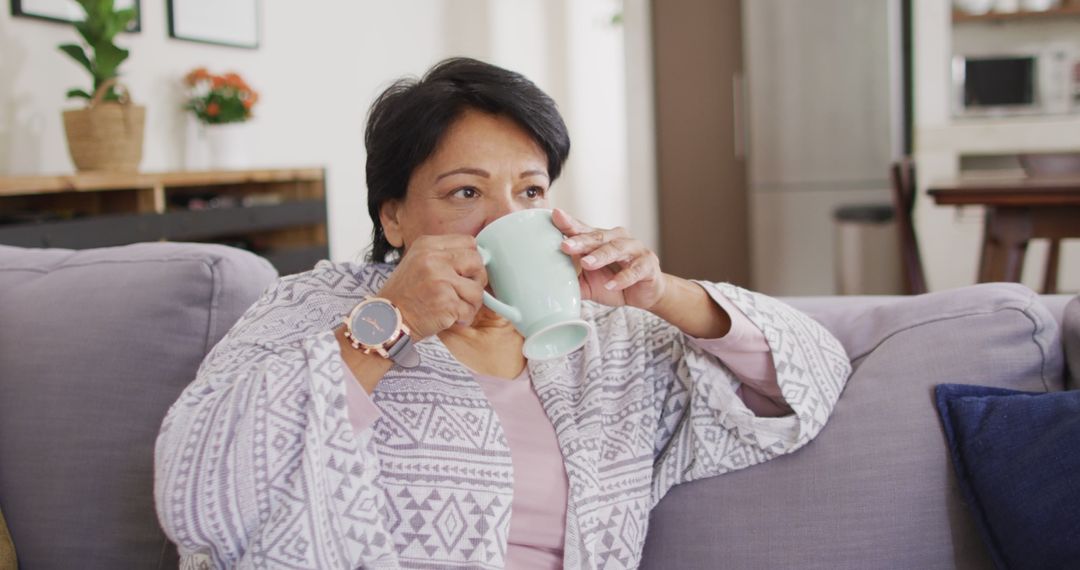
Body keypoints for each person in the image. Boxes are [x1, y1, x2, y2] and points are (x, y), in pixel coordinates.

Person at [155, 57, 851, 570]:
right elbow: (199, 492)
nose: (505, 218)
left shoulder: (613, 344)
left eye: (530, 191)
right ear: (393, 215)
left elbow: (810, 378)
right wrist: (386, 322)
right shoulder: (319, 307)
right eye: (464, 192)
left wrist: (658, 291)